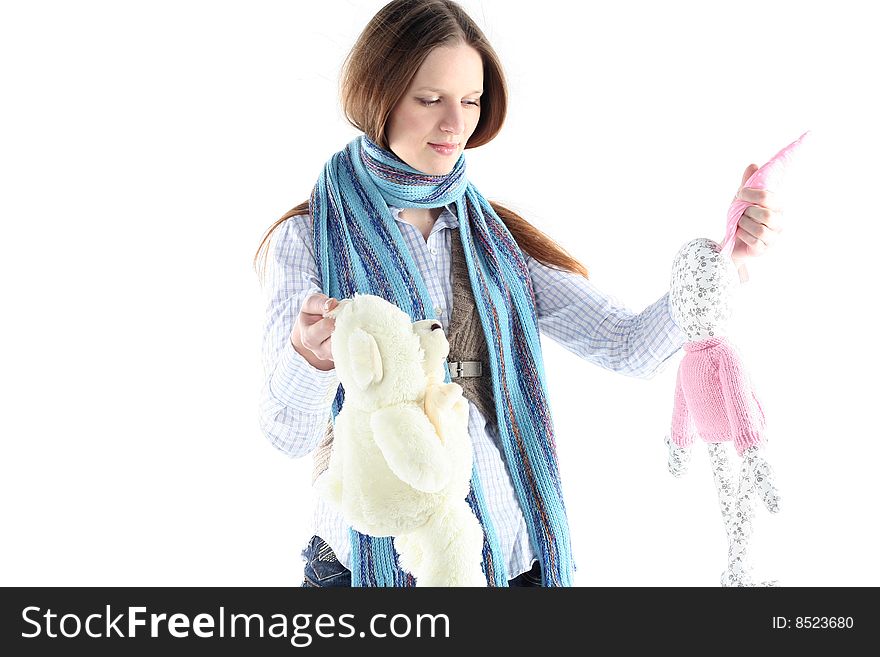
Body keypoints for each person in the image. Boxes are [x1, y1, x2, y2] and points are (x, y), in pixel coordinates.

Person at [253, 0, 783, 587]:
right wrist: (312, 358)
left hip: (512, 562)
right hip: (365, 569)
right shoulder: (308, 238)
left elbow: (629, 346)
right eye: (430, 99)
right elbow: (285, 433)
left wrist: (726, 265)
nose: (456, 124)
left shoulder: (496, 243)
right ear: (378, 96)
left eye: (471, 102)